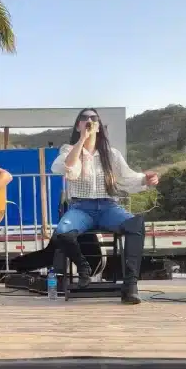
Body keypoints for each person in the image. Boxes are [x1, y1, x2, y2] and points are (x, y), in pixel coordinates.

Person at [50, 108, 159, 305]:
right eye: (84, 118)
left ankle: (130, 286)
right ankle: (83, 267)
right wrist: (82, 140)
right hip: (81, 207)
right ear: (78, 125)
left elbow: (126, 178)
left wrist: (146, 179)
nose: (89, 120)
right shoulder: (69, 150)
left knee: (136, 225)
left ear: (99, 126)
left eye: (94, 118)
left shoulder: (111, 154)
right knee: (62, 233)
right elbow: (67, 168)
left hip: (108, 207)